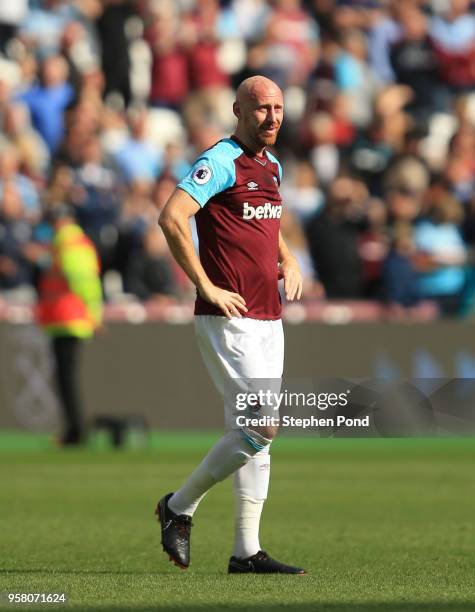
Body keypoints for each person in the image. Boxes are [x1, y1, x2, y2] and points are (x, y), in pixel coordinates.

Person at [156, 75, 305, 574]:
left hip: (269, 317)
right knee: (260, 426)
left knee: (255, 436)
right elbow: (172, 218)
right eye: (262, 108)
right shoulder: (220, 160)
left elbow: (267, 222)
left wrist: (290, 257)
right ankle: (178, 506)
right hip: (230, 316)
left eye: (279, 108)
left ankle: (246, 552)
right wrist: (205, 285)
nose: (273, 117)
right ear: (238, 110)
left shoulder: (272, 165)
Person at [37, 204, 103, 445]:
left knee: (66, 378)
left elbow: (82, 281)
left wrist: (94, 315)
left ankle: (75, 430)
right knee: (65, 378)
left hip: (69, 318)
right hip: (66, 319)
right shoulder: (69, 242)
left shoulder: (68, 243)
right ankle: (74, 429)